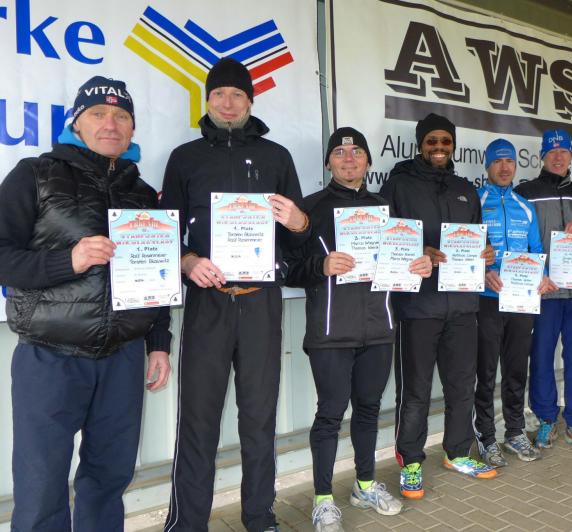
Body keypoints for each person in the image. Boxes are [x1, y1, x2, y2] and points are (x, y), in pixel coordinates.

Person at [0, 76, 171, 531]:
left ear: (132, 129)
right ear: (76, 122)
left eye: (121, 116)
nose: (110, 124)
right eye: (98, 114)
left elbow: (157, 273)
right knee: (41, 483)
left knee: (110, 476)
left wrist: (159, 343)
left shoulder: (143, 193)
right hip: (49, 355)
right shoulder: (35, 175)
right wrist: (67, 261)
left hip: (122, 357)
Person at [160, 58, 309, 532]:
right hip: (208, 303)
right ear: (207, 100)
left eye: (237, 94)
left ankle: (260, 517)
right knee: (198, 420)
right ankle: (186, 523)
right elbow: (166, 235)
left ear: (250, 100)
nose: (227, 103)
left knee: (259, 418)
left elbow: (299, 242)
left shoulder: (276, 157)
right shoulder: (185, 158)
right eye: (219, 94)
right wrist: (188, 261)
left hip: (261, 304)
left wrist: (300, 222)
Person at [285, 127, 432, 531]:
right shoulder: (309, 210)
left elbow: (404, 260)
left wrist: (420, 264)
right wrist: (321, 265)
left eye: (356, 152)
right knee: (330, 415)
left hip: (380, 328)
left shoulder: (386, 208)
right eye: (339, 152)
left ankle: (364, 485)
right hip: (331, 332)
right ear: (328, 162)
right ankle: (322, 499)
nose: (348, 158)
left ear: (368, 161)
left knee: (368, 410)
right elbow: (287, 269)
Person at [380, 113, 496, 499]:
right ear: (420, 144)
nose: (439, 147)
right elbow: (384, 237)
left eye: (446, 141)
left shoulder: (466, 189)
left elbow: (477, 237)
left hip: (463, 305)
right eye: (432, 141)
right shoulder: (398, 184)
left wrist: (485, 252)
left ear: (453, 145)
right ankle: (410, 461)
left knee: (462, 385)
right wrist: (420, 249)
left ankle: (457, 453)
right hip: (417, 305)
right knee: (415, 390)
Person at [514, 129, 572, 453]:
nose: (558, 157)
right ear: (542, 157)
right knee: (540, 357)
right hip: (543, 291)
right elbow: (517, 242)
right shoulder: (525, 193)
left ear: (571, 157)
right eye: (552, 152)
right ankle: (546, 418)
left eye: (563, 151)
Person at [473, 138, 557, 467]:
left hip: (521, 301)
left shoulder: (524, 205)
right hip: (487, 300)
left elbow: (536, 249)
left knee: (516, 368)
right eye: (497, 161)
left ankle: (515, 431)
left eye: (509, 161)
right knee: (485, 371)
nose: (504, 167)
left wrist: (543, 276)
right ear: (487, 166)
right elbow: (465, 249)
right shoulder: (476, 201)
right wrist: (482, 272)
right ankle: (485, 437)